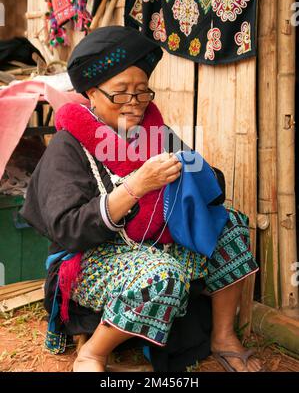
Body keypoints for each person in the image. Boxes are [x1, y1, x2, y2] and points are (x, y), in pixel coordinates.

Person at [21, 26, 262, 373]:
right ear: (92, 93)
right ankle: (92, 353)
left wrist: (185, 174)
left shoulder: (154, 131)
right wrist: (136, 186)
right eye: (121, 94)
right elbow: (67, 228)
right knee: (161, 274)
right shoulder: (68, 146)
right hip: (89, 256)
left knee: (230, 225)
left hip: (153, 242)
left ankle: (223, 337)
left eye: (142, 93)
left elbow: (210, 183)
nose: (134, 105)